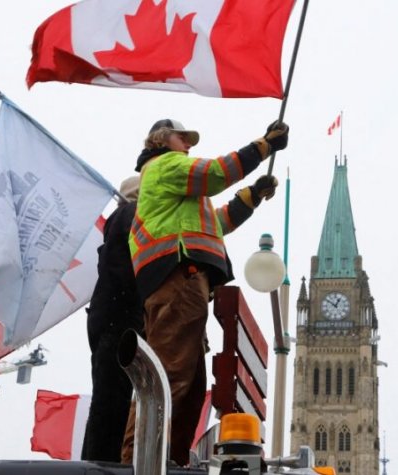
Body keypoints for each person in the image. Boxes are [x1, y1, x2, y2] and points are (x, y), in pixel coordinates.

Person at [121, 118, 288, 465]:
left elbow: (217, 223)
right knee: (169, 376)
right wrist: (263, 146)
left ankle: (171, 461)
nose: (188, 144)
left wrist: (252, 196)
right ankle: (137, 463)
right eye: (183, 138)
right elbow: (214, 174)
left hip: (180, 280)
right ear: (162, 140)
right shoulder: (165, 165)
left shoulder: (177, 195)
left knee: (191, 386)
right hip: (178, 276)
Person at [80, 176, 144, 463]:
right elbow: (132, 273)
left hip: (110, 319)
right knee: (112, 401)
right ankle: (103, 465)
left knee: (110, 399)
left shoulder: (120, 219)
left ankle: (101, 462)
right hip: (121, 321)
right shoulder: (132, 216)